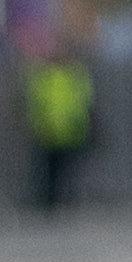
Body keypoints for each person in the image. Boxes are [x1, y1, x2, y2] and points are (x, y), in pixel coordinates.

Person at [23, 37, 98, 213]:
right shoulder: (43, 76)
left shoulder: (76, 74)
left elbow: (87, 101)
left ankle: (67, 201)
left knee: (69, 169)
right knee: (49, 169)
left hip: (72, 130)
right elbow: (33, 102)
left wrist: (90, 122)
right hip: (48, 131)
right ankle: (49, 203)